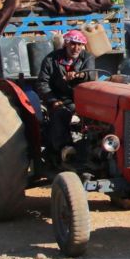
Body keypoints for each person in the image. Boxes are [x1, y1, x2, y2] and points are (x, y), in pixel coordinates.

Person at [35, 30, 96, 162]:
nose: (76, 48)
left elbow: (91, 75)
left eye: (79, 44)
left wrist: (80, 75)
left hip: (82, 98)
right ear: (66, 44)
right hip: (60, 98)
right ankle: (64, 150)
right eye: (73, 44)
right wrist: (53, 101)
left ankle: (96, 147)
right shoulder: (51, 60)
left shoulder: (88, 57)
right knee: (60, 114)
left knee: (96, 116)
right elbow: (42, 83)